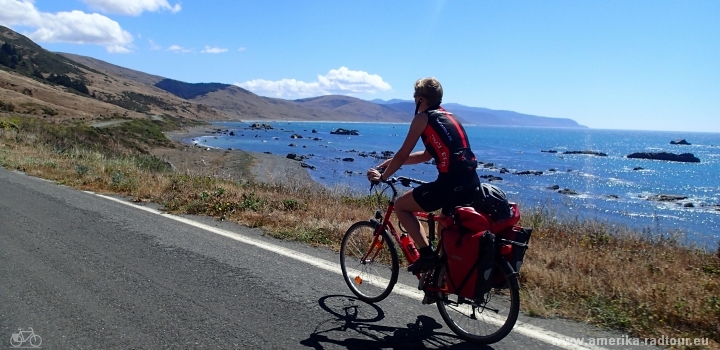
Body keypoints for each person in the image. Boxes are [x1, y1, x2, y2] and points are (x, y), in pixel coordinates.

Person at [367, 77, 480, 273]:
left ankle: (427, 256)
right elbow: (427, 155)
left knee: (402, 206)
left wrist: (383, 177)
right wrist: (388, 163)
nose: (413, 99)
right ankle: (442, 276)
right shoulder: (449, 117)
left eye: (414, 96)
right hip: (470, 181)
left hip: (450, 183)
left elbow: (402, 154)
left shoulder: (423, 118)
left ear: (421, 98)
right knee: (444, 225)